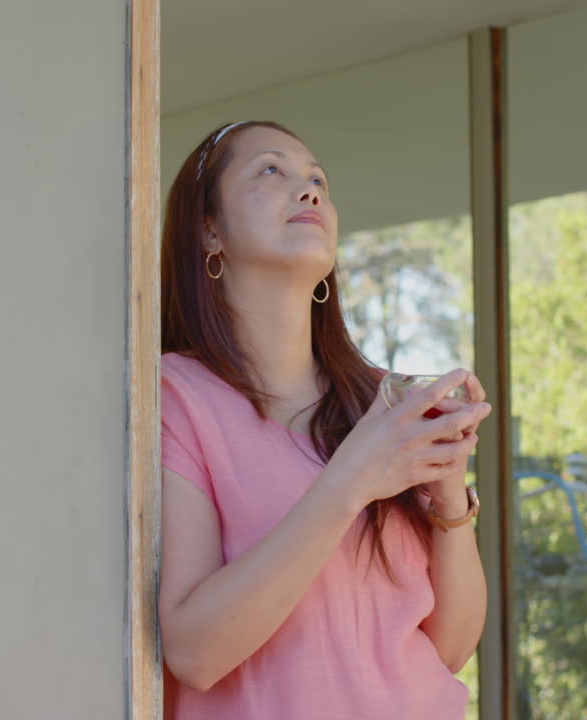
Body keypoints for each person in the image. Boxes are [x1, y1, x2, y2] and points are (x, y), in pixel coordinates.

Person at [159, 120, 491, 720]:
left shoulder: (384, 405)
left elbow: (451, 647)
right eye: (271, 171)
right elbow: (193, 653)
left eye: (318, 179)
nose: (309, 190)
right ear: (208, 229)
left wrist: (448, 492)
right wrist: (350, 480)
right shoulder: (175, 396)